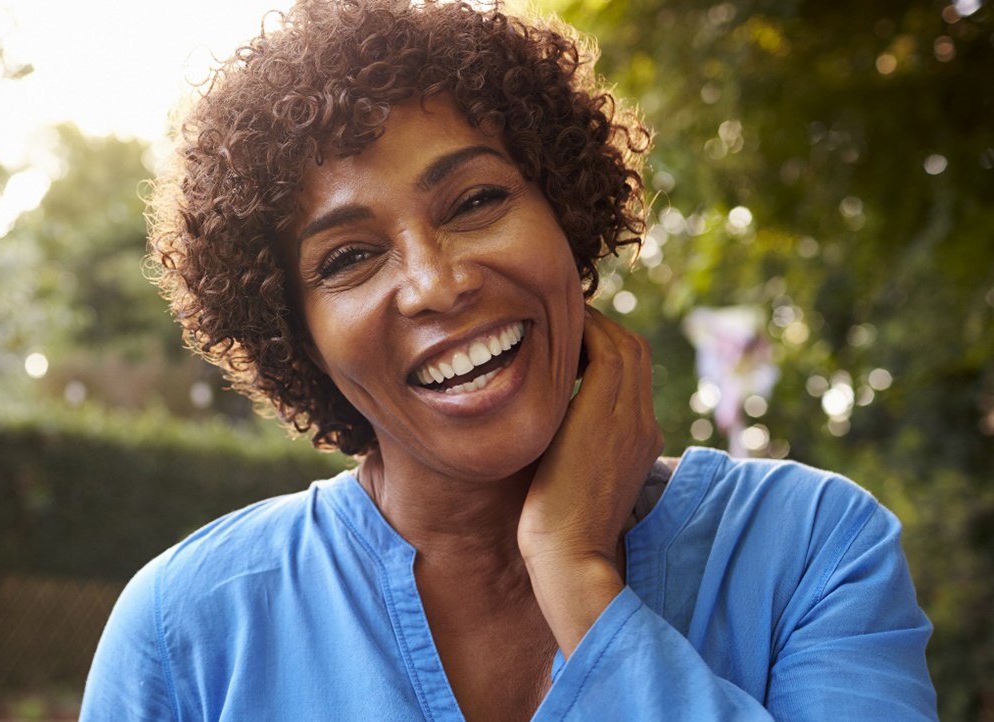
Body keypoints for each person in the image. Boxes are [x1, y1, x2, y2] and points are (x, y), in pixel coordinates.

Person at [80, 1, 937, 719]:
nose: (435, 284)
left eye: (477, 200)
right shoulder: (187, 631)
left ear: (566, 215)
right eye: (347, 258)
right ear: (295, 335)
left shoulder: (812, 548)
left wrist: (576, 573)